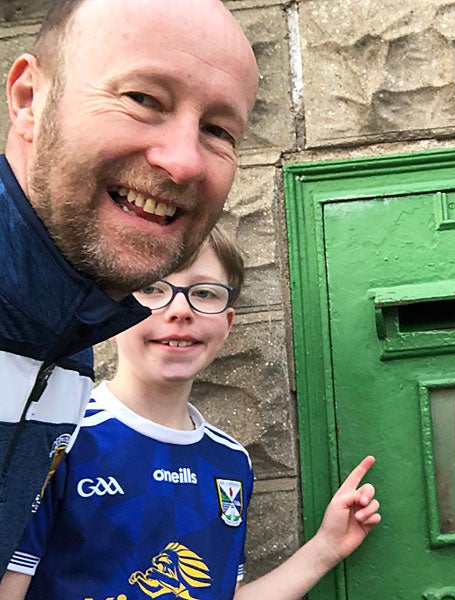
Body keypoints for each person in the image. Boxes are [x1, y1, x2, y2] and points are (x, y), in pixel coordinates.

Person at [0, 0, 259, 567]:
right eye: (143, 99)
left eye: (218, 129)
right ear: (28, 100)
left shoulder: (66, 359)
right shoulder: (82, 424)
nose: (184, 161)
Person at [0, 226, 382, 600]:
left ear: (227, 323)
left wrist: (325, 548)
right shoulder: (60, 438)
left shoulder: (231, 462)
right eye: (152, 288)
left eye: (204, 292)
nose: (180, 310)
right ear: (110, 314)